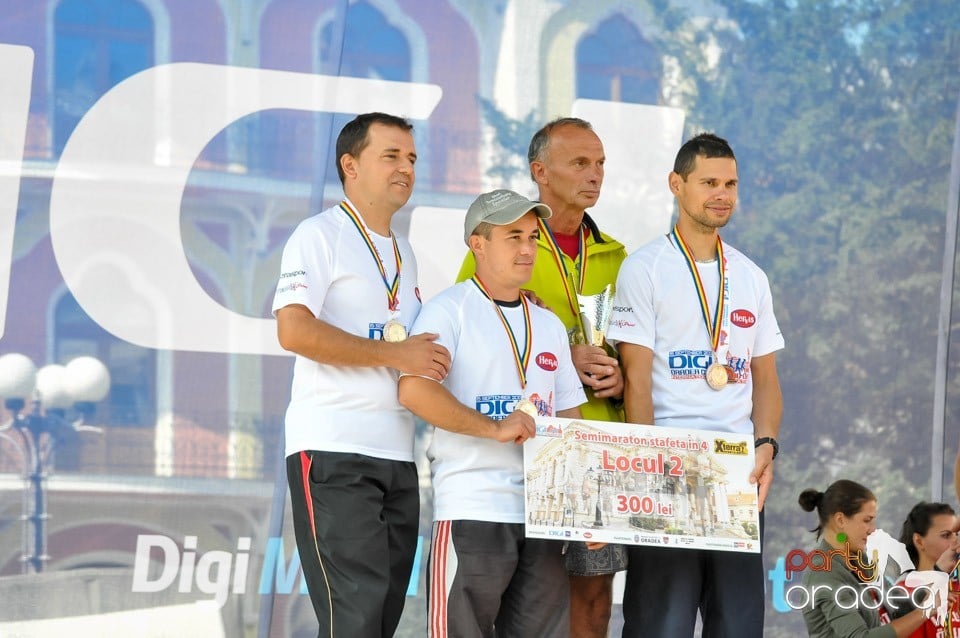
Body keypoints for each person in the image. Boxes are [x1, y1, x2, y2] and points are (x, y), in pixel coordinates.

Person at [272, 112, 451, 637]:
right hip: (333, 448)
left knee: (381, 618)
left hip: (397, 456)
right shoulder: (318, 234)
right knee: (355, 617)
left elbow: (419, 352)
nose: (406, 168)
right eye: (391, 156)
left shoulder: (405, 253)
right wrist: (394, 356)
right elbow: (295, 332)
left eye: (412, 158)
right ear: (350, 165)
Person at [456, 117, 628, 638]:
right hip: (525, 454)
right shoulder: (495, 251)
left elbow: (631, 346)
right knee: (530, 601)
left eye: (599, 163)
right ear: (541, 172)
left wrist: (620, 378)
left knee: (595, 591)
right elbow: (477, 341)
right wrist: (560, 361)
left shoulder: (618, 257)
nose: (594, 174)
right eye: (580, 163)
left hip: (597, 441)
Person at [607, 132, 783, 637]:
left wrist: (766, 444)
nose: (721, 194)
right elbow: (636, 381)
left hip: (736, 474)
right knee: (662, 622)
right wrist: (645, 462)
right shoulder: (644, 268)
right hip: (669, 466)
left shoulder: (751, 276)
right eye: (708, 182)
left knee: (738, 623)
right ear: (676, 185)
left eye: (730, 183)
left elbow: (766, 380)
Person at [399, 188, 587, 637]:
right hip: (473, 507)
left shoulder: (549, 324)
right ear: (477, 244)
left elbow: (572, 422)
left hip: (544, 516)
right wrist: (494, 428)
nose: (527, 249)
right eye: (513, 237)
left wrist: (585, 509)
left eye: (533, 237)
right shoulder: (448, 311)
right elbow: (414, 390)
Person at [798, 480, 932, 637]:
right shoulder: (823, 574)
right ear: (840, 520)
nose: (872, 529)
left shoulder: (857, 556)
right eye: (867, 520)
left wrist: (931, 591)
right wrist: (925, 610)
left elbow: (895, 603)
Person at [893, 502, 960, 637]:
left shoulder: (955, 586)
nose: (955, 541)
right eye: (946, 535)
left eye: (957, 534)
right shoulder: (903, 591)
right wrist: (939, 571)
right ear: (919, 541)